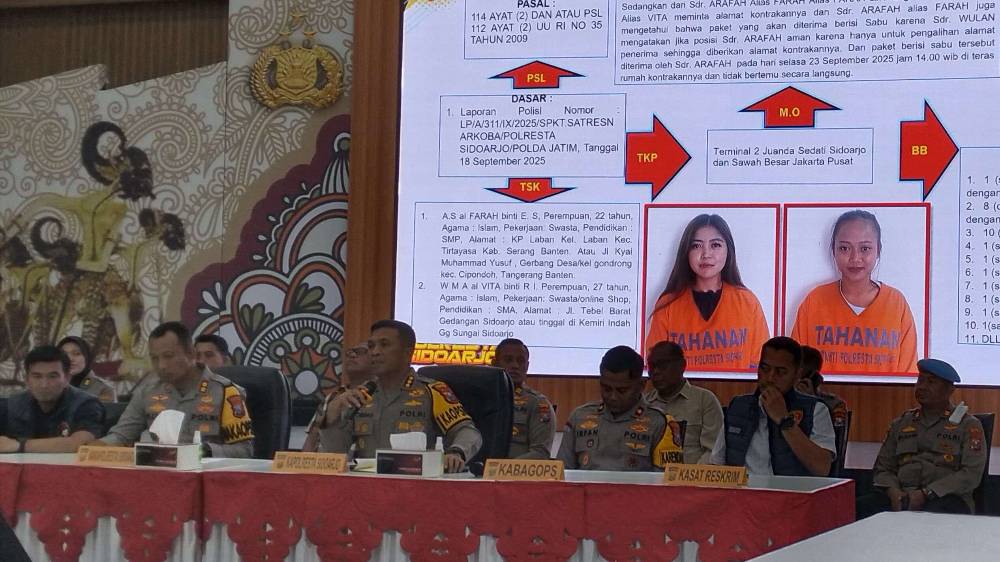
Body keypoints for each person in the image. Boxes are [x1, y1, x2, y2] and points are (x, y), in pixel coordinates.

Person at [318, 320, 482, 473]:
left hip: (416, 484)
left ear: (407, 352)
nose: (375, 352)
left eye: (384, 345)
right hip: (366, 484)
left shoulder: (432, 391)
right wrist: (331, 419)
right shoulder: (360, 395)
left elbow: (468, 432)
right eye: (371, 346)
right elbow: (335, 456)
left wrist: (456, 452)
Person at [96, 321, 254, 458]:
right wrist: (93, 448)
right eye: (154, 358)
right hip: (157, 473)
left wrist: (202, 451)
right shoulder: (146, 392)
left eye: (168, 356)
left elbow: (245, 450)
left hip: (204, 475)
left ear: (191, 354)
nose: (161, 366)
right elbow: (121, 436)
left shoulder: (227, 392)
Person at [790, 210, 918, 374]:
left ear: (878, 250)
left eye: (865, 248)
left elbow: (907, 376)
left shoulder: (896, 304)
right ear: (833, 251)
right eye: (844, 248)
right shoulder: (814, 301)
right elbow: (797, 370)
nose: (855, 258)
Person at [857, 359, 987, 517]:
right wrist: (894, 492)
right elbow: (883, 468)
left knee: (935, 514)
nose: (922, 387)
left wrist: (926, 493)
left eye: (931, 382)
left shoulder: (968, 425)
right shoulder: (901, 423)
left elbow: (970, 474)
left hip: (944, 497)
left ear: (949, 390)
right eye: (920, 380)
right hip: (901, 495)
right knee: (859, 507)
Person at [646, 214, 770, 371]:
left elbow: (760, 366)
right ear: (686, 252)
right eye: (696, 246)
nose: (706, 254)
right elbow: (656, 369)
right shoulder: (668, 305)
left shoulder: (748, 303)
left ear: (729, 250)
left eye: (715, 245)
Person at [711, 337, 836, 476]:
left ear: (797, 374)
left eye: (781, 372)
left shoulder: (816, 410)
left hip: (791, 489)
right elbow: (716, 463)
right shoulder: (738, 406)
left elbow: (822, 468)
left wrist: (784, 420)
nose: (770, 378)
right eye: (764, 369)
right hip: (743, 488)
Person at [557, 345, 684, 471]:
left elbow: (668, 479)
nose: (613, 397)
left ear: (641, 385)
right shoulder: (579, 417)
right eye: (606, 389)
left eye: (622, 391)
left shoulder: (660, 423)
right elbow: (561, 474)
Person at [0, 345, 104, 453]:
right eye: (37, 376)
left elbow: (81, 443)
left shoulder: (86, 404)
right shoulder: (11, 405)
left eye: (52, 376)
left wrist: (20, 445)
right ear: (27, 380)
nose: (44, 385)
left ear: (67, 379)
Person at [645, 341, 723, 464]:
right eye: (651, 366)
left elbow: (713, 451)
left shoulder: (705, 400)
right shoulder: (645, 405)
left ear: (682, 366)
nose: (656, 372)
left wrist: (690, 474)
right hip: (650, 474)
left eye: (662, 366)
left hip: (693, 473)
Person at [491, 338, 555, 459]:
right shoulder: (480, 399)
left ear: (527, 366)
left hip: (515, 469)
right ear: (494, 363)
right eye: (508, 360)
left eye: (521, 361)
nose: (515, 365)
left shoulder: (538, 403)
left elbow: (540, 453)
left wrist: (501, 467)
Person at [301, 342, 372, 452]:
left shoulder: (380, 396)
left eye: (360, 352)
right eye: (349, 353)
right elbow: (311, 441)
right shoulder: (332, 397)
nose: (352, 355)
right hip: (329, 459)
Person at [795, 345, 848, 430]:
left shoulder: (835, 404)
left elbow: (837, 433)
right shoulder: (779, 400)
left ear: (813, 377)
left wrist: (812, 402)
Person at [58, 335, 116, 402]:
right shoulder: (51, 385)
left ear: (87, 357)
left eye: (76, 354)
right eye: (64, 354)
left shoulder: (103, 389)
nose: (69, 359)